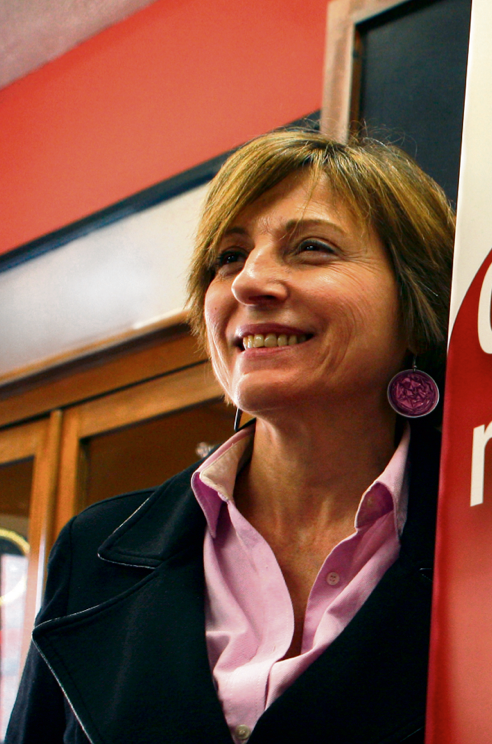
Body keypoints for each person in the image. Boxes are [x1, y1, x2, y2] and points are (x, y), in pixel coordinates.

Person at [6, 129, 455, 744]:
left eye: (313, 248)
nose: (249, 281)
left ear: (417, 301)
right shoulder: (94, 551)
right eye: (228, 257)